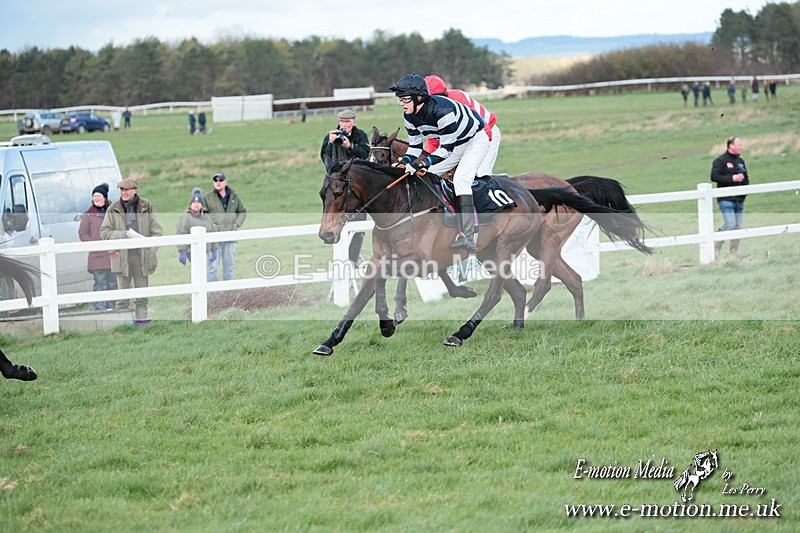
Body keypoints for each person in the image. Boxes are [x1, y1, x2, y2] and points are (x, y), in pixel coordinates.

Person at [390, 73, 489, 252]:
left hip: (476, 139)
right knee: (427, 175)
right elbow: (415, 147)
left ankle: (468, 236)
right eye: (400, 99)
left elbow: (446, 150)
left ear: (419, 98)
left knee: (461, 180)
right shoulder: (409, 116)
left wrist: (422, 163)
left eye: (405, 99)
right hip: (456, 142)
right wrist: (404, 163)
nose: (402, 104)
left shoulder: (443, 111)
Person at [100, 178, 163, 324]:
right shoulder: (113, 208)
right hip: (122, 258)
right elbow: (104, 232)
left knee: (142, 296)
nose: (124, 192)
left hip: (142, 258)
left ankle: (142, 324)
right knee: (122, 298)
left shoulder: (147, 206)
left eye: (127, 189)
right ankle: (123, 325)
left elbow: (157, 231)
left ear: (135, 190)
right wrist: (122, 235)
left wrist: (151, 250)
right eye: (122, 189)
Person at [424, 74, 501, 177]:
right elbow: (433, 141)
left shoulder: (458, 98)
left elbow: (480, 125)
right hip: (462, 141)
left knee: (480, 173)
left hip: (487, 132)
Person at [319, 109, 370, 263]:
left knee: (358, 224)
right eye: (342, 121)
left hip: (356, 185)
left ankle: (353, 258)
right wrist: (330, 143)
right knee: (335, 220)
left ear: (354, 122)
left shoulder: (360, 136)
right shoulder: (331, 136)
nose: (344, 124)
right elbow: (325, 158)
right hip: (337, 186)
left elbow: (366, 154)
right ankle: (340, 258)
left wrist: (350, 147)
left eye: (347, 121)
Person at [78, 183, 117, 311]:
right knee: (100, 284)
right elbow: (82, 233)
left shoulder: (112, 213)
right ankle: (101, 311)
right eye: (94, 196)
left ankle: (112, 309)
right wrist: (93, 244)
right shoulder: (88, 215)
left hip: (112, 255)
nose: (96, 198)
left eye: (99, 196)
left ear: (105, 197)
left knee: (112, 284)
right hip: (97, 257)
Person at [203, 172, 247, 281]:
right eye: (215, 180)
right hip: (214, 239)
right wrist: (211, 225)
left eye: (220, 180)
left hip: (230, 237)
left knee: (229, 267)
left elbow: (242, 211)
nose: (218, 182)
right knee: (212, 267)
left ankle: (228, 291)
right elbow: (203, 214)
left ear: (225, 182)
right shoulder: (207, 197)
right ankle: (213, 291)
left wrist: (236, 224)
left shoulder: (234, 196)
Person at [710, 136, 749, 255]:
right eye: (739, 145)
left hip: (739, 200)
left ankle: (733, 254)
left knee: (738, 227)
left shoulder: (741, 162)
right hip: (726, 199)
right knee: (730, 224)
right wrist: (732, 178)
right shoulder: (720, 161)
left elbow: (746, 179)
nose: (741, 147)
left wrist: (744, 191)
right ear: (731, 146)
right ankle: (715, 249)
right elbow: (714, 176)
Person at [176, 188, 218, 279]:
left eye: (198, 202)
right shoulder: (185, 218)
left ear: (202, 205)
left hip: (205, 250)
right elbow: (181, 233)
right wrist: (182, 250)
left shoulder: (207, 217)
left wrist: (214, 249)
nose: (196, 204)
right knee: (198, 272)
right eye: (194, 202)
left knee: (205, 272)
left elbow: (212, 232)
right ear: (190, 204)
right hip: (192, 251)